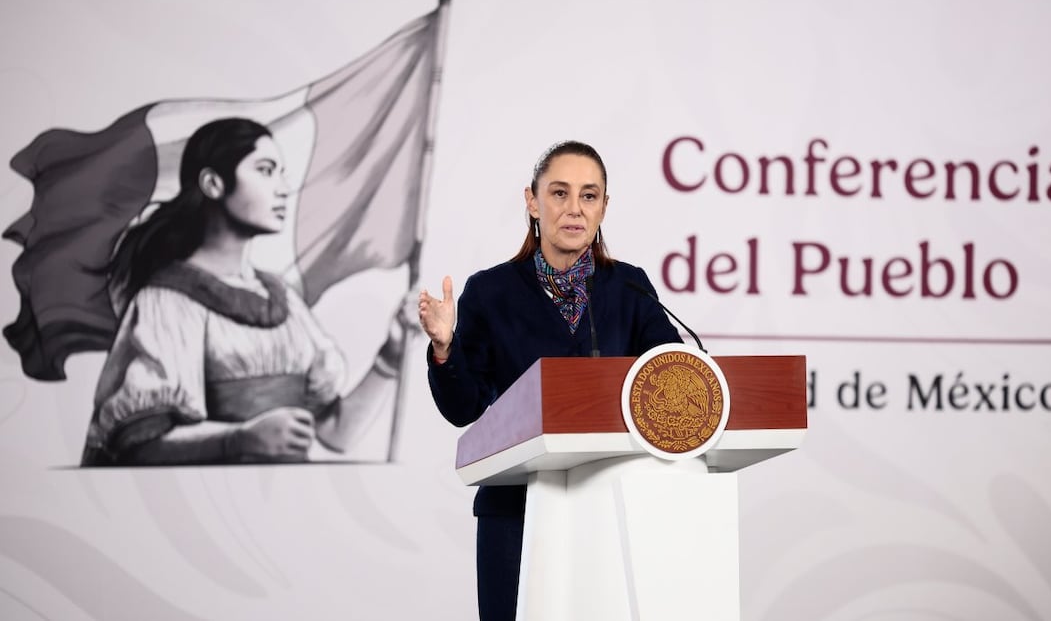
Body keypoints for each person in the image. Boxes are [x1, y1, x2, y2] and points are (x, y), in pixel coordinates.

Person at [418, 140, 681, 620]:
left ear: (604, 207)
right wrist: (444, 347)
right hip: (516, 513)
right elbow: (464, 407)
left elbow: (672, 378)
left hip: (610, 507)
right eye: (559, 193)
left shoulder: (630, 287)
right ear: (533, 201)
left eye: (589, 195)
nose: (574, 209)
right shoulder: (491, 291)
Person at [82, 117, 405, 465]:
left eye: (281, 172)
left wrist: (390, 355)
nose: (283, 188)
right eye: (265, 170)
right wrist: (240, 439)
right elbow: (139, 447)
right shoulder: (167, 302)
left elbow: (335, 433)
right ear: (213, 183)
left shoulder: (283, 300)